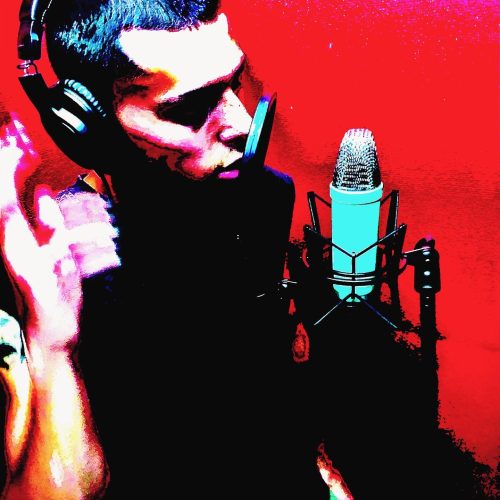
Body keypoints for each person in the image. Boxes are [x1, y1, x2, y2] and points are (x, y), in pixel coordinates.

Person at [0, 1, 333, 498]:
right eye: (191, 109)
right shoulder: (56, 269)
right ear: (89, 128)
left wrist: (326, 479)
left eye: (234, 84)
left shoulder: (263, 196)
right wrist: (53, 345)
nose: (243, 123)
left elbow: (266, 385)